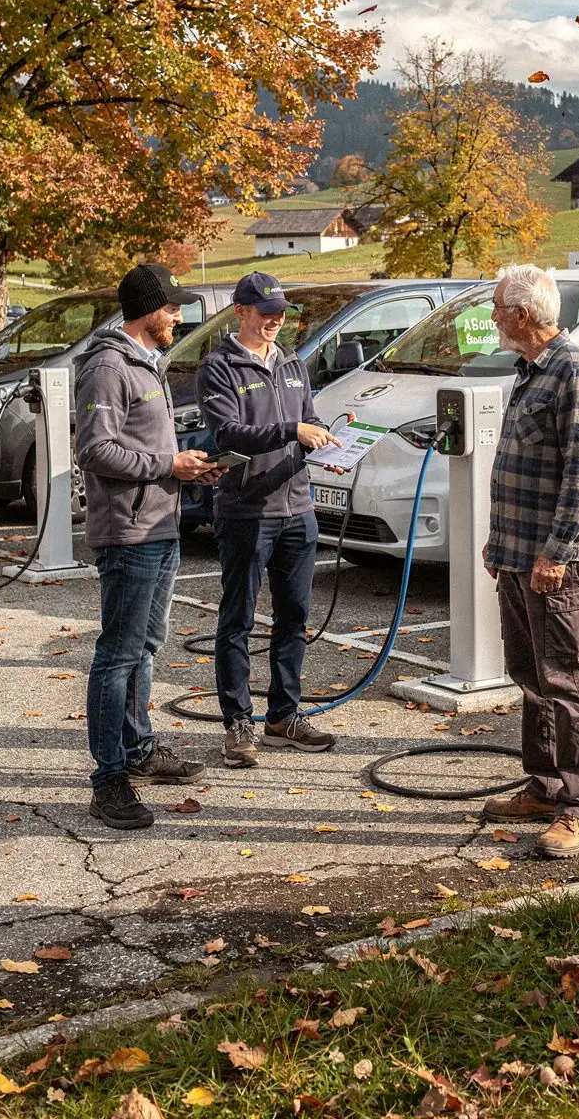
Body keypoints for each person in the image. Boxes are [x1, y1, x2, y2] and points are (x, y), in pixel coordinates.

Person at [75, 263, 220, 830]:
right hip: (129, 534)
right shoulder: (109, 367)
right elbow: (95, 449)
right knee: (117, 654)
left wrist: (188, 472)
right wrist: (167, 464)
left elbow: (141, 447)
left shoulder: (145, 362)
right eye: (172, 307)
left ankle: (137, 750)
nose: (179, 316)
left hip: (160, 526)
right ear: (147, 309)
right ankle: (108, 777)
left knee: (144, 648)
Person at [481, 262, 579, 858]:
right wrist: (497, 544)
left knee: (566, 679)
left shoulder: (574, 372)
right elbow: (517, 471)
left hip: (554, 562)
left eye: (499, 308)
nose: (494, 318)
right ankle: (544, 785)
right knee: (530, 675)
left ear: (524, 314)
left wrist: (556, 554)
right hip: (517, 555)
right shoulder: (530, 371)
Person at [195, 272, 344, 768]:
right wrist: (292, 429)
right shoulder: (219, 367)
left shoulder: (293, 363)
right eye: (265, 312)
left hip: (297, 509)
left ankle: (283, 716)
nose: (275, 320)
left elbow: (310, 419)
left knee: (294, 616)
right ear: (240, 311)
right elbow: (230, 432)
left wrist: (325, 439)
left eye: (281, 312)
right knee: (236, 619)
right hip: (246, 512)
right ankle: (238, 723)